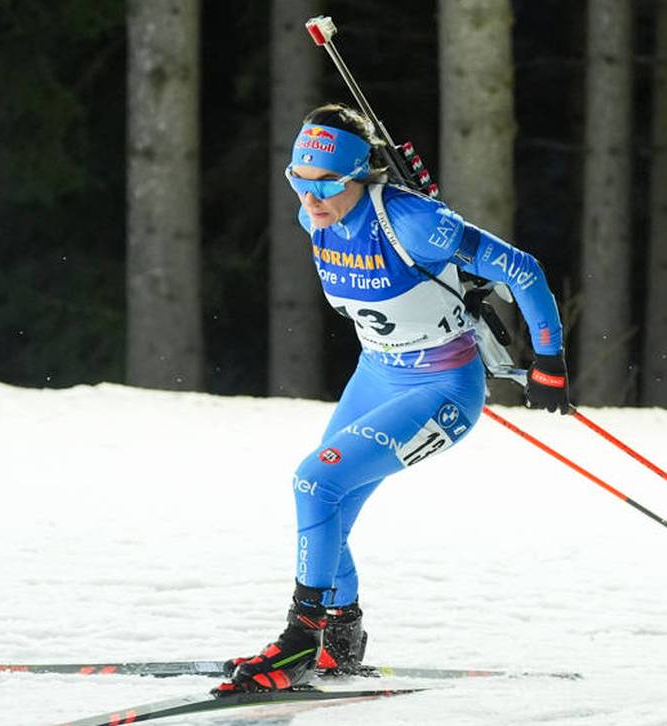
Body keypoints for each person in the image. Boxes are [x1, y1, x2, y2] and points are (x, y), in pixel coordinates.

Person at [216, 103, 571, 695]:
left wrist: (550, 362)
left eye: (328, 184)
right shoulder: (318, 219)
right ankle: (340, 635)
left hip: (442, 390)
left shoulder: (410, 221)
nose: (312, 198)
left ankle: (301, 638)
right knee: (327, 508)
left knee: (314, 482)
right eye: (300, 181)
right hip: (377, 374)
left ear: (361, 175)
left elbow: (522, 269)